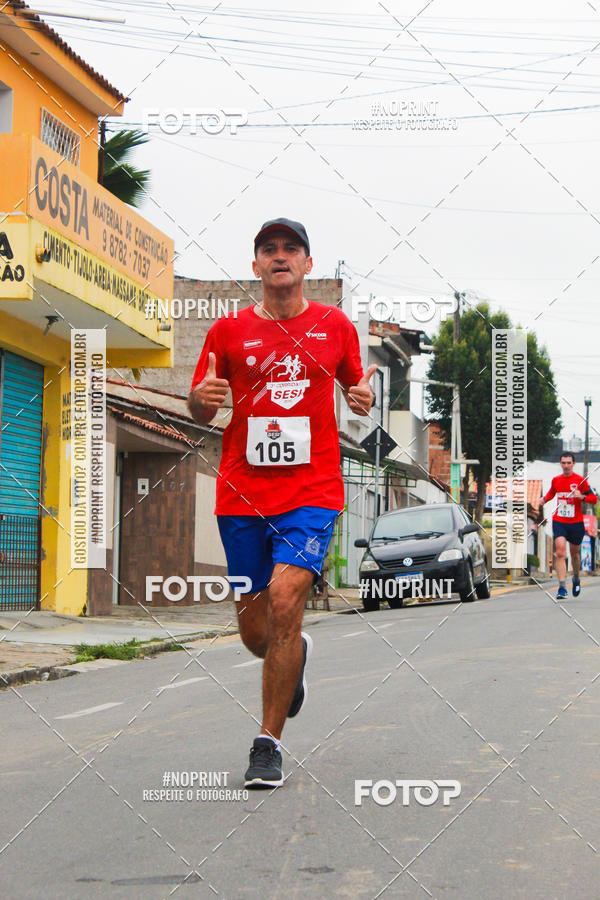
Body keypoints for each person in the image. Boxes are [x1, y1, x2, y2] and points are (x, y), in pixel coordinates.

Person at [188, 218, 376, 788]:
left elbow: (357, 390)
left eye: (291, 248)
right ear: (255, 267)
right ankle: (292, 660)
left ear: (307, 265)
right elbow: (200, 407)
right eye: (268, 249)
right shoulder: (227, 332)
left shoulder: (334, 325)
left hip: (312, 491)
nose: (280, 256)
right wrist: (199, 400)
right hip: (242, 491)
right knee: (256, 633)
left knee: (286, 594)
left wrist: (363, 396)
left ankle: (267, 745)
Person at [542, 452, 597, 599]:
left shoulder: (580, 481)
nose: (566, 466)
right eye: (563, 463)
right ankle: (561, 587)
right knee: (560, 552)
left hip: (576, 523)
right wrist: (543, 500)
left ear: (573, 464)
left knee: (575, 554)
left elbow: (593, 499)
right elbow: (551, 494)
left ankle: (576, 577)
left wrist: (582, 497)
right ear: (560, 464)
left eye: (568, 463)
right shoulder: (556, 480)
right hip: (560, 520)